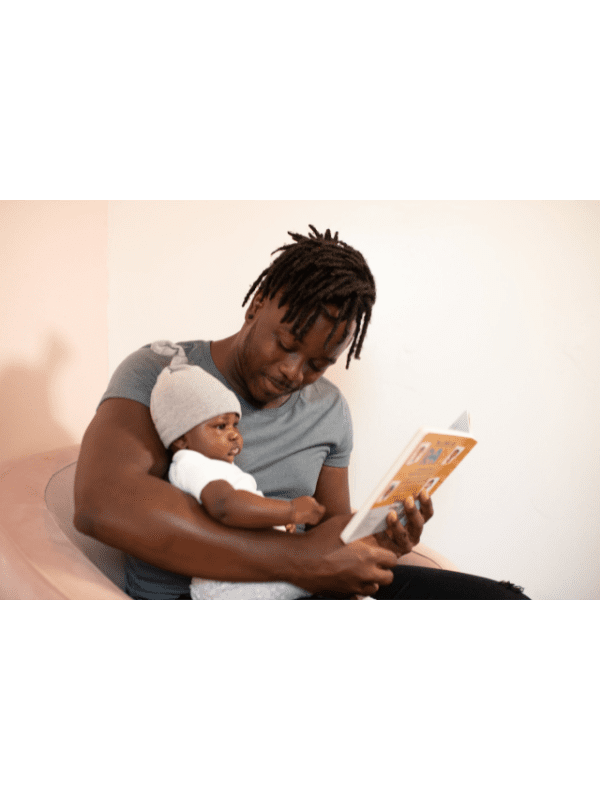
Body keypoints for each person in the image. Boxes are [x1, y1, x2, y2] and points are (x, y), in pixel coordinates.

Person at [74, 225, 529, 599]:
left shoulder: (330, 409)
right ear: (257, 305)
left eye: (318, 363)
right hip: (204, 600)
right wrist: (303, 560)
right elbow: (102, 504)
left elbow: (333, 529)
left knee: (503, 603)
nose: (293, 372)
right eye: (287, 344)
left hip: (299, 591)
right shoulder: (164, 371)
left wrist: (382, 539)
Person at [149, 339, 323, 599]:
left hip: (241, 576)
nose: (234, 436)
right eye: (221, 426)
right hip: (225, 586)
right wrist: (289, 511)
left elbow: (243, 514)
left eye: (235, 425)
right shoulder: (190, 463)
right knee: (325, 576)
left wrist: (277, 522)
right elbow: (226, 506)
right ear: (180, 438)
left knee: (326, 574)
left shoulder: (215, 467)